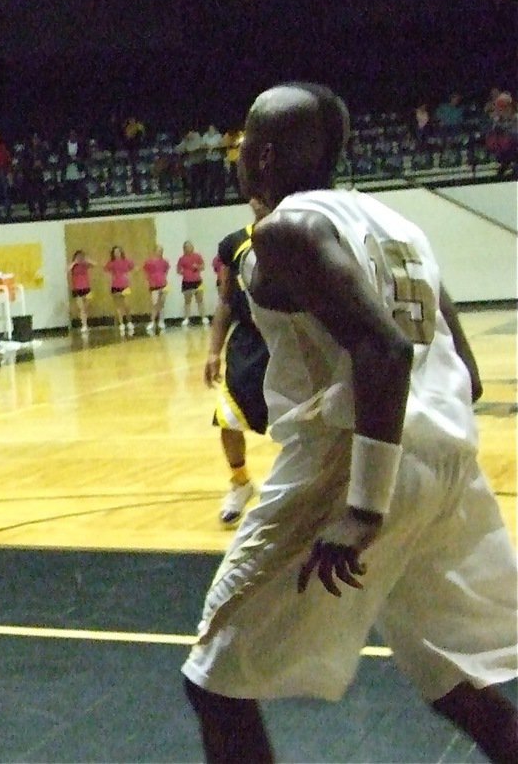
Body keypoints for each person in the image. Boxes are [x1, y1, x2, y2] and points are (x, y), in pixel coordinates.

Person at [182, 83, 518, 763]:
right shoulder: (399, 226)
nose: (237, 149)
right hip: (443, 462)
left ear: (265, 154)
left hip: (353, 464)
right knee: (453, 678)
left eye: (245, 137)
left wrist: (364, 507)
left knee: (216, 682)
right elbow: (466, 371)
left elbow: (383, 348)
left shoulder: (287, 231)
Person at [203, 200, 270, 526]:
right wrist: (213, 351)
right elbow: (226, 300)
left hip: (294, 340)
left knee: (304, 424)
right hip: (249, 344)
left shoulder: (304, 235)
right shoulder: (234, 243)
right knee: (228, 417)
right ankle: (240, 482)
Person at [104, 245, 135, 337]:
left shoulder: (126, 261)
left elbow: (133, 268)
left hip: (125, 286)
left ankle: (129, 322)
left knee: (127, 305)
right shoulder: (111, 263)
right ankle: (121, 323)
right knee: (118, 306)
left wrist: (128, 276)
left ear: (121, 252)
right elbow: (106, 270)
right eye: (115, 252)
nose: (117, 253)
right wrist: (110, 278)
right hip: (115, 286)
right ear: (113, 254)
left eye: (118, 251)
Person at [176, 240, 209, 327]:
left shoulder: (198, 256)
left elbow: (203, 267)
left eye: (190, 246)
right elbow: (178, 270)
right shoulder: (181, 259)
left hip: (198, 281)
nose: (189, 248)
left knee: (200, 300)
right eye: (186, 247)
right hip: (186, 281)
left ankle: (203, 317)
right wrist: (181, 271)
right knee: (187, 301)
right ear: (184, 248)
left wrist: (197, 267)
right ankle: (186, 318)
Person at [142, 245, 169, 334]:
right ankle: (152, 321)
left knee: (162, 302)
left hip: (163, 284)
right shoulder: (149, 262)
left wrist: (163, 279)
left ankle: (161, 321)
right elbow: (145, 272)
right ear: (155, 251)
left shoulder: (165, 262)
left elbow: (166, 271)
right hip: (154, 285)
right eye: (158, 250)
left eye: (161, 251)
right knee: (155, 303)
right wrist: (148, 281)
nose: (160, 252)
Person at [67, 249, 95, 332]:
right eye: (78, 256)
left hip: (86, 288)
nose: (79, 258)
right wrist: (74, 262)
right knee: (81, 308)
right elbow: (67, 270)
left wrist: (86, 260)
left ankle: (84, 322)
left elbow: (94, 264)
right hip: (77, 289)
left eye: (81, 256)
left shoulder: (85, 265)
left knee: (87, 305)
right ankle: (84, 325)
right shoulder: (73, 266)